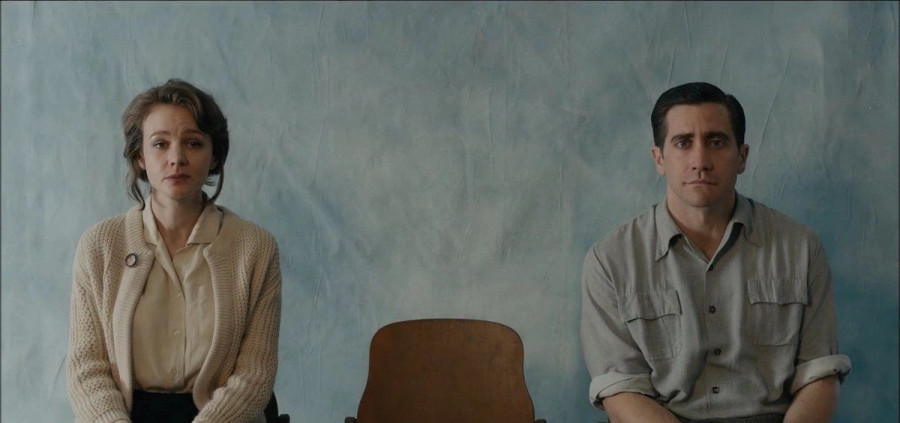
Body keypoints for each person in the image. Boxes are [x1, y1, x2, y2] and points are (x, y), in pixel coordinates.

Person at [580, 82, 851, 423]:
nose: (700, 161)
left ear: (742, 157)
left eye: (716, 142)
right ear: (659, 159)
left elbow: (820, 375)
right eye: (683, 143)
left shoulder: (801, 248)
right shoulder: (610, 261)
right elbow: (621, 390)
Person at [67, 79, 282, 423]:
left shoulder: (254, 248)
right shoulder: (99, 245)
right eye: (160, 144)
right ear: (140, 156)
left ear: (214, 156)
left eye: (193, 143)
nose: (177, 158)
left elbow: (255, 373)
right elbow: (86, 368)